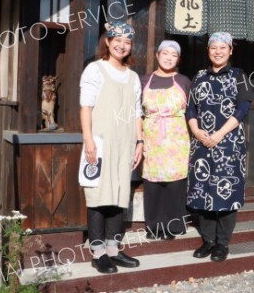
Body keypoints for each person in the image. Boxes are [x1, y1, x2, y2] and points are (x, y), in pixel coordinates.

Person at [79, 21, 143, 274]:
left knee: (118, 195)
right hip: (100, 142)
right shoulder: (95, 70)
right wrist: (88, 141)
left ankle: (114, 249)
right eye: (117, 40)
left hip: (125, 143)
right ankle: (97, 252)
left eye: (127, 42)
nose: (122, 45)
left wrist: (139, 141)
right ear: (107, 42)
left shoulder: (133, 76)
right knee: (98, 196)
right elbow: (86, 107)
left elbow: (137, 112)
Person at [186, 32, 251, 262]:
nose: (218, 51)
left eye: (223, 47)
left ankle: (222, 243)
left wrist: (219, 134)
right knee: (203, 192)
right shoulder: (200, 76)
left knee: (226, 192)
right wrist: (195, 130)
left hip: (229, 144)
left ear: (230, 50)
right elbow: (191, 108)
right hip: (202, 143)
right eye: (214, 47)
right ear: (208, 50)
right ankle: (208, 241)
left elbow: (242, 109)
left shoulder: (238, 75)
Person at [140, 40, 191, 240]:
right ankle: (153, 227)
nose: (169, 58)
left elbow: (192, 112)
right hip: (152, 137)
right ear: (157, 55)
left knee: (175, 183)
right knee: (153, 184)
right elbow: (136, 112)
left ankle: (173, 226)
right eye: (165, 53)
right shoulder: (144, 81)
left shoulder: (184, 81)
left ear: (178, 59)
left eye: (174, 55)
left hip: (176, 138)